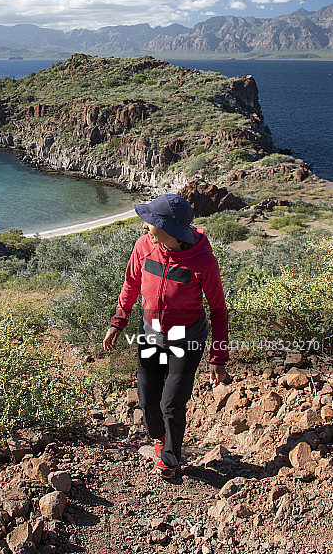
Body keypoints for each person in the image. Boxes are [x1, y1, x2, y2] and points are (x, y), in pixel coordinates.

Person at [102, 193, 229, 480]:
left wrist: (218, 358)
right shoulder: (144, 246)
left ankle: (170, 457)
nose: (145, 227)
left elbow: (218, 311)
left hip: (186, 338)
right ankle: (159, 438)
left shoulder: (203, 262)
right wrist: (117, 322)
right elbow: (130, 284)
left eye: (151, 222)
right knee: (148, 400)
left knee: (171, 404)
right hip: (151, 334)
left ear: (170, 229)